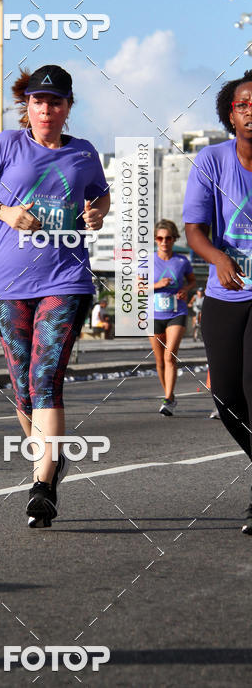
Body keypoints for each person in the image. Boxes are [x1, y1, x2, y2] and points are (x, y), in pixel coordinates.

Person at [0, 64, 110, 528]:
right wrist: (0, 210)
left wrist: (96, 214)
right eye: (39, 101)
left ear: (68, 108)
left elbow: (100, 196)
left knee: (45, 376)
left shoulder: (83, 153)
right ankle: (51, 460)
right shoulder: (6, 145)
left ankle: (42, 482)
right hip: (6, 285)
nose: (46, 109)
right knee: (22, 386)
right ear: (28, 106)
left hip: (65, 280)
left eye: (55, 102)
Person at [183, 70, 252, 534]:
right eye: (244, 104)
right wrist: (217, 259)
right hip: (226, 292)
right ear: (231, 114)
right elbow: (194, 231)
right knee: (226, 397)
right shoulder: (211, 160)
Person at [149, 219, 196, 416]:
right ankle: (170, 394)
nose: (164, 242)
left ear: (174, 238)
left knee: (170, 356)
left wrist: (185, 289)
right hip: (154, 314)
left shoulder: (182, 261)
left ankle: (168, 399)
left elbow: (192, 282)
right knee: (160, 361)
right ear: (155, 239)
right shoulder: (148, 261)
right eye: (160, 238)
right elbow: (135, 288)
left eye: (168, 238)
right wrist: (157, 285)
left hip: (177, 312)